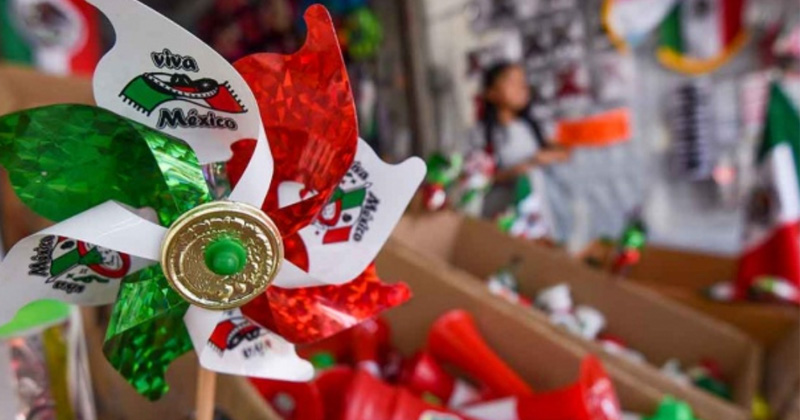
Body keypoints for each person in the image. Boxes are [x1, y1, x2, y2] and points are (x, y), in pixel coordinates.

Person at [471, 62, 570, 237]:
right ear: (491, 93)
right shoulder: (482, 135)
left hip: (540, 210)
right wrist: (521, 168)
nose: (521, 88)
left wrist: (549, 156)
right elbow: (479, 179)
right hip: (502, 213)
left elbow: (564, 152)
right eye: (512, 82)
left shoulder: (532, 127)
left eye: (523, 82)